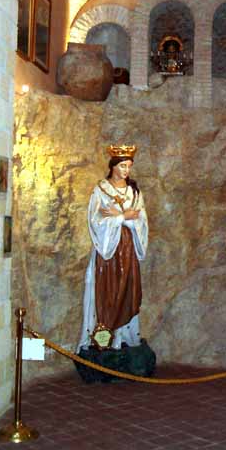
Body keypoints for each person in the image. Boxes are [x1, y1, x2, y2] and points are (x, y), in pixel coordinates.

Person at [78, 144, 148, 350]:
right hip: (107, 250)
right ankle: (104, 335)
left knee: (127, 288)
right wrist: (123, 217)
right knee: (108, 289)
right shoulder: (101, 190)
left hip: (128, 248)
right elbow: (96, 220)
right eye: (123, 166)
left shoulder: (134, 192)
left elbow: (141, 220)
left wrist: (123, 218)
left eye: (129, 166)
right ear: (113, 166)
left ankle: (123, 335)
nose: (126, 170)